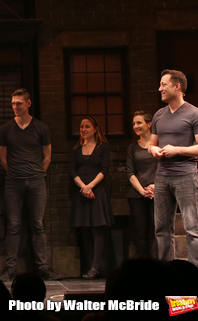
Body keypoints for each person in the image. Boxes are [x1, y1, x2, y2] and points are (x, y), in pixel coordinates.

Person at [148, 69, 198, 273]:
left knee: (192, 228)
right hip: (162, 176)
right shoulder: (159, 115)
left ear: (177, 87)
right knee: (162, 230)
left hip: (185, 174)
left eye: (163, 84)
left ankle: (196, 277)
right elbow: (151, 144)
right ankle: (167, 275)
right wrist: (154, 150)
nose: (160, 89)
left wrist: (177, 150)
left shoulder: (194, 114)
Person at [0, 89, 62, 282]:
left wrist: (37, 173)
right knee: (14, 225)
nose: (16, 107)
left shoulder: (40, 128)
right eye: (13, 104)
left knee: (38, 224)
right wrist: (16, 174)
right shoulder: (6, 129)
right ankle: (10, 269)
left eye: (19, 103)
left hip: (36, 181)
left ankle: (42, 268)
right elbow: (3, 158)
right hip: (13, 182)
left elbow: (47, 156)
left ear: (28, 103)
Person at [69, 116, 114, 279]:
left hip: (97, 191)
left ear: (95, 129)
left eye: (87, 126)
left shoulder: (103, 148)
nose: (83, 129)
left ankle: (95, 267)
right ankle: (90, 267)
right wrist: (83, 186)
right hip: (81, 192)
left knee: (97, 228)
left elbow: (105, 169)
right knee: (85, 229)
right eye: (81, 127)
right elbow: (72, 171)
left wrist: (90, 186)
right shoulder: (76, 150)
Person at [126, 110, 158, 259]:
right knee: (140, 231)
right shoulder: (132, 147)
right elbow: (130, 172)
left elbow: (165, 168)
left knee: (156, 229)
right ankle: (144, 265)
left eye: (139, 122)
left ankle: (157, 264)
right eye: (134, 123)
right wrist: (142, 191)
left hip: (157, 193)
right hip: (137, 195)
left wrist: (155, 187)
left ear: (149, 124)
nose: (135, 126)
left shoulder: (159, 143)